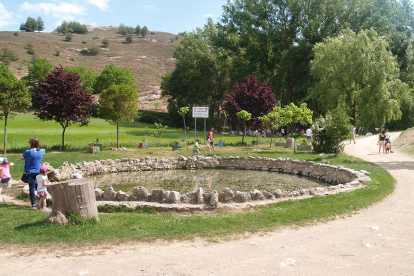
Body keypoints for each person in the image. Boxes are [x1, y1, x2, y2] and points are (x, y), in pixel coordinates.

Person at [20, 137, 43, 208]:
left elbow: (21, 158)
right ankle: (42, 202)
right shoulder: (40, 152)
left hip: (30, 172)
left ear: (31, 143)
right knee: (39, 187)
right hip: (38, 171)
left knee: (32, 188)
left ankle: (33, 204)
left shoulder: (28, 152)